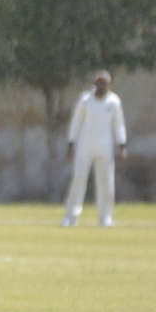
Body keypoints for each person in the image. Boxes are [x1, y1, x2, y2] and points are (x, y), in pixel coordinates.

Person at [62, 69, 129, 227]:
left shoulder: (114, 101)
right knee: (78, 180)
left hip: (105, 147)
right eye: (99, 83)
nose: (102, 86)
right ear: (94, 83)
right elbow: (76, 122)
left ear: (109, 84)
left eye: (105, 83)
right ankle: (71, 216)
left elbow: (119, 124)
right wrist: (71, 143)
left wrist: (122, 145)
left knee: (106, 182)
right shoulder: (85, 100)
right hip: (85, 146)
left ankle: (105, 217)